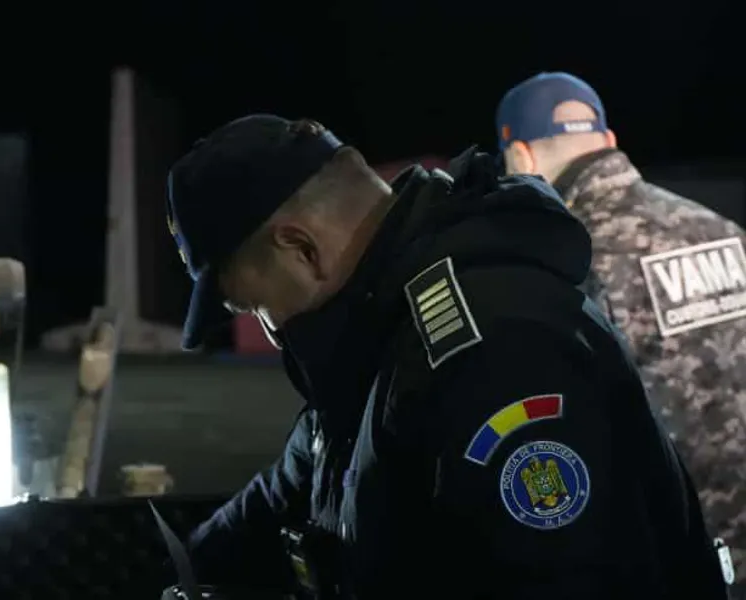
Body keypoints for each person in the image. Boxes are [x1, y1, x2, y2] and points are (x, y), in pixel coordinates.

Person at [163, 114, 728, 599]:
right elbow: (289, 487)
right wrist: (184, 565)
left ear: (302, 249)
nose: (271, 330)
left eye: (256, 306)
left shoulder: (493, 353)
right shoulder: (375, 339)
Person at [497, 71, 746, 597]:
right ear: (608, 140)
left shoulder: (573, 266)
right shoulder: (721, 230)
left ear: (520, 157)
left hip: (682, 565)